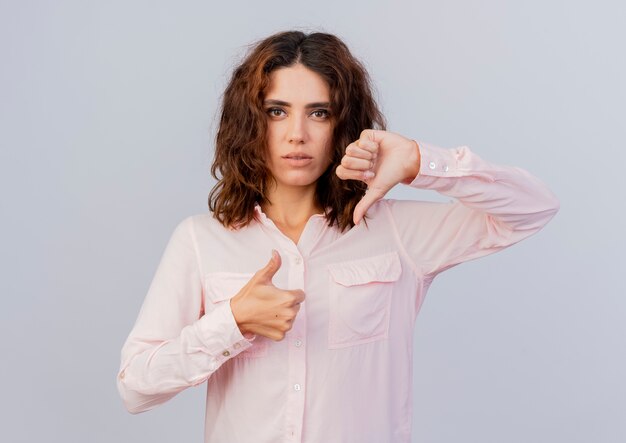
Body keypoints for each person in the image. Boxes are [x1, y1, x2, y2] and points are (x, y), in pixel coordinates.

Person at [116, 30, 560, 443]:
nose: (297, 134)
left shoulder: (396, 232)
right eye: (277, 112)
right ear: (250, 122)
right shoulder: (200, 239)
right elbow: (136, 388)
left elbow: (533, 208)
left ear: (342, 124)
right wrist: (231, 323)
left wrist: (420, 162)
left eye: (319, 113)